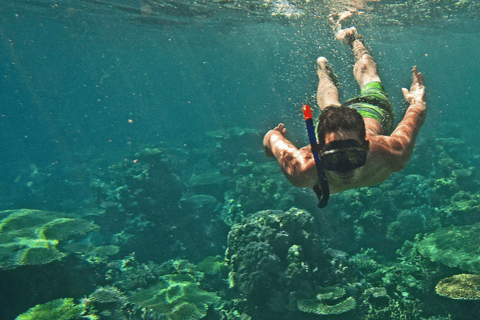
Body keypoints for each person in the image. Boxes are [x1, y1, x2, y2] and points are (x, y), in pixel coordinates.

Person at [263, 27, 426, 196]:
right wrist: (416, 101)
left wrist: (417, 102)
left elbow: (271, 137)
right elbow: (417, 112)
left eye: (353, 156)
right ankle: (324, 74)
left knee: (339, 99)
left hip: (371, 110)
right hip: (373, 111)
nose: (345, 168)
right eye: (334, 158)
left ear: (367, 145)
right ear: (318, 152)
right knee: (340, 100)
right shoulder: (393, 155)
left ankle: (355, 42)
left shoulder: (300, 171)